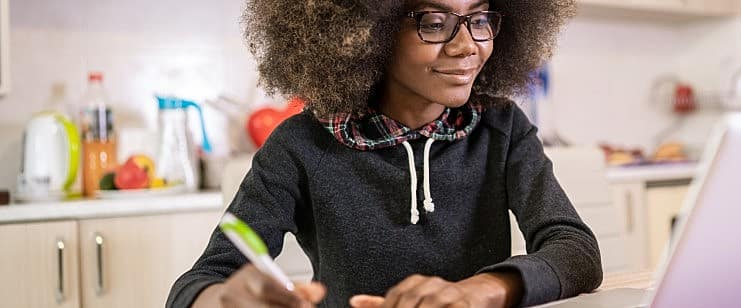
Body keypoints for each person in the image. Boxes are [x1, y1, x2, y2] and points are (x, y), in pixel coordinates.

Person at [167, 0, 601, 307]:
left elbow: (576, 250)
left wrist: (481, 291)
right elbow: (199, 283)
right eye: (434, 22)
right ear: (366, 32)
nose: (467, 45)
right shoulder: (300, 146)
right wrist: (224, 300)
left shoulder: (501, 128)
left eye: (479, 18)